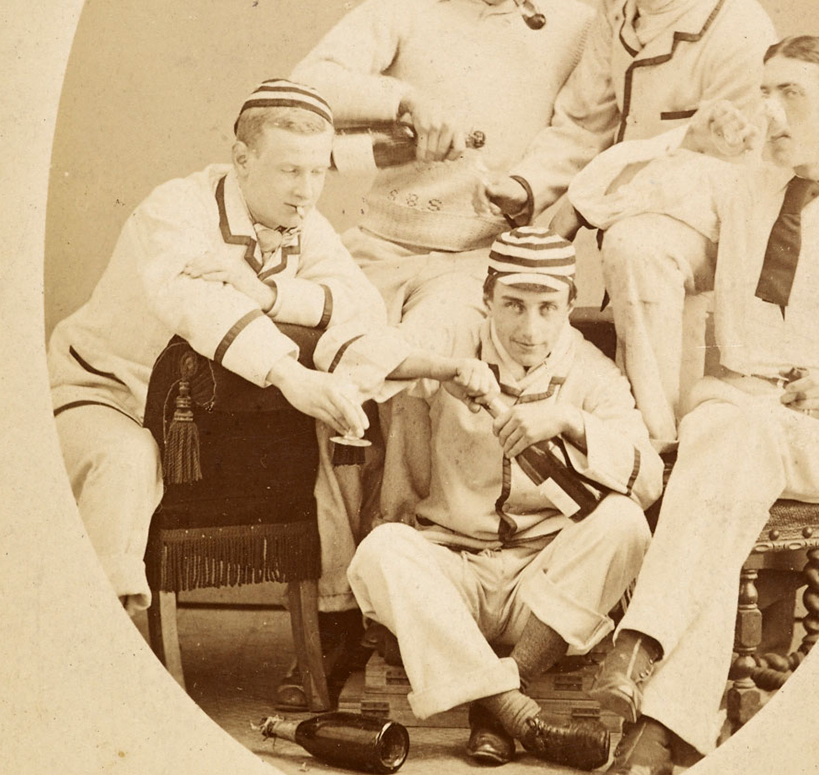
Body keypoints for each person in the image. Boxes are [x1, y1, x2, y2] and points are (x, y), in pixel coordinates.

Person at [568, 36, 819, 775]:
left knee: (728, 441)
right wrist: (689, 139)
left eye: (790, 95)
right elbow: (601, 197)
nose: (768, 109)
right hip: (735, 411)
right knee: (727, 432)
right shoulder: (739, 184)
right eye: (764, 91)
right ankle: (661, 729)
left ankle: (640, 642)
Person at [48, 78, 495, 619]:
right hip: (106, 392)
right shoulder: (175, 207)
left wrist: (268, 292)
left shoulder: (306, 225)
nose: (306, 190)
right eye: (289, 170)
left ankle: (337, 617)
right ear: (241, 158)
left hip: (198, 422)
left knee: (313, 456)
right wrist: (292, 375)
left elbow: (359, 309)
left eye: (315, 171)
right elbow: (196, 301)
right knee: (127, 459)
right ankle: (99, 635)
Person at [346, 226, 664, 771]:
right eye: (513, 305)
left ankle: (496, 706)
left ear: (570, 303)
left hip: (542, 593)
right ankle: (516, 712)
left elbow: (650, 479)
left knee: (625, 522)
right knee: (381, 551)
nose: (529, 328)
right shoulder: (455, 339)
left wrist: (571, 421)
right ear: (487, 297)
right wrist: (439, 369)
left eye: (547, 307)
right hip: (453, 577)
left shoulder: (590, 371)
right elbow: (358, 362)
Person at [482, 0, 777, 450]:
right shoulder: (621, 11)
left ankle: (656, 446)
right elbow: (582, 120)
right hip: (638, 212)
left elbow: (727, 187)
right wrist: (526, 188)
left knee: (635, 245)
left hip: (732, 234)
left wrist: (583, 206)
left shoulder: (741, 34)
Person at [290, 0, 595, 335]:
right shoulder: (405, 5)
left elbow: (583, 130)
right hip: (378, 249)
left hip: (483, 259)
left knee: (436, 348)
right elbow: (308, 84)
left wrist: (526, 187)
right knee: (346, 356)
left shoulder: (572, 26)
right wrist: (406, 99)